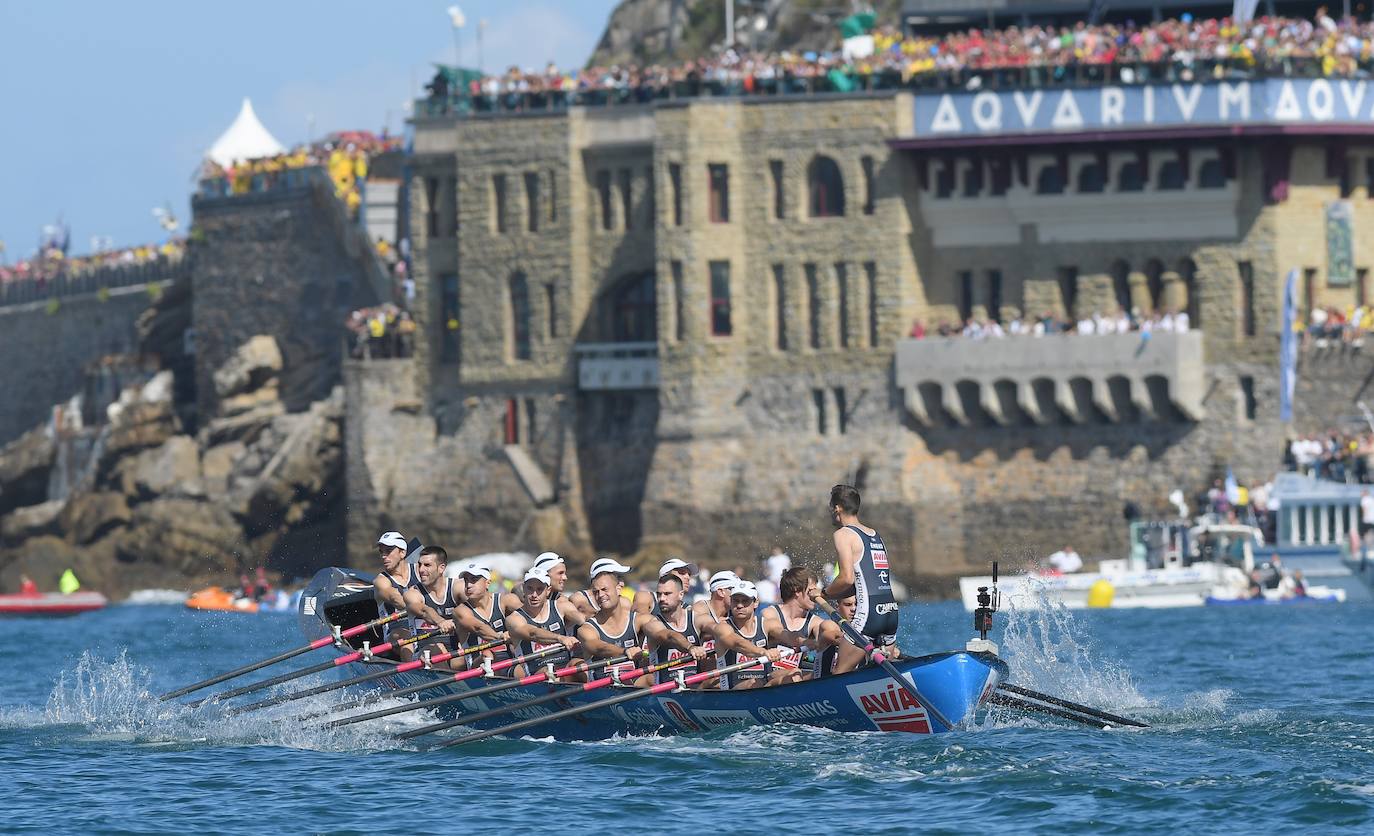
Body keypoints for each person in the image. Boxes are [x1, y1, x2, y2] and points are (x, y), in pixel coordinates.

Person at [821, 484, 899, 674]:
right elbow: (865, 583)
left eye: (831, 507)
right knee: (881, 676)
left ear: (837, 507)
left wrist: (823, 593)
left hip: (868, 616)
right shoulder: (875, 535)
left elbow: (846, 579)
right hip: (891, 614)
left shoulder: (843, 534)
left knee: (839, 675)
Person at [763, 567, 842, 683]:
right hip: (769, 678)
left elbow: (829, 632)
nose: (816, 596)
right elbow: (784, 634)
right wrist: (804, 642)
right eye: (811, 590)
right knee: (795, 674)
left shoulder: (815, 622)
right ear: (797, 590)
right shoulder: (770, 614)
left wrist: (842, 640)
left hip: (796, 677)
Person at [504, 566, 581, 675]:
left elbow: (584, 621)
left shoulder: (561, 607)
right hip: (536, 673)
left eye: (539, 589)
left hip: (565, 667)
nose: (534, 595)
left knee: (580, 665)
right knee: (548, 672)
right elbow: (533, 633)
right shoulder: (514, 619)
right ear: (524, 589)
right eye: (530, 588)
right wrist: (560, 638)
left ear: (548, 591)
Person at [637, 573, 708, 685]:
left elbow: (718, 629)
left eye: (667, 594)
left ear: (681, 595)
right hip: (665, 695)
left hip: (694, 692)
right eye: (659, 594)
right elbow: (670, 636)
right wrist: (690, 647)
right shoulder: (652, 625)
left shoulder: (696, 618)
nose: (662, 599)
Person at [714, 580, 787, 689]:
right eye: (735, 601)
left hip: (762, 685)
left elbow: (789, 636)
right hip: (731, 690)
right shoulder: (723, 627)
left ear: (756, 602)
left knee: (794, 674)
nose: (739, 605)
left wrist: (807, 642)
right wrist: (764, 652)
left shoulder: (766, 624)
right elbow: (738, 643)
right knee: (756, 683)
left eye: (745, 601)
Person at [402, 546, 461, 667]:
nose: (421, 570)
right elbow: (425, 611)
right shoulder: (412, 593)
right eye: (419, 565)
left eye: (427, 565)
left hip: (455, 650)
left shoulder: (457, 587)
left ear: (441, 568)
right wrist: (441, 621)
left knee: (464, 659)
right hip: (424, 651)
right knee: (437, 650)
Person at [456, 561, 512, 667]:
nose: (468, 585)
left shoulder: (505, 600)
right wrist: (500, 636)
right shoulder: (460, 610)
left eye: (474, 580)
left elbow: (528, 616)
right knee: (487, 654)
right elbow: (478, 627)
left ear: (488, 583)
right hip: (478, 666)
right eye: (466, 580)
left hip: (508, 664)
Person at [815, 594, 857, 678]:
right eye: (848, 605)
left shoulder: (862, 631)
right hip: (823, 685)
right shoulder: (829, 625)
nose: (853, 609)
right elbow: (836, 637)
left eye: (856, 604)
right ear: (837, 607)